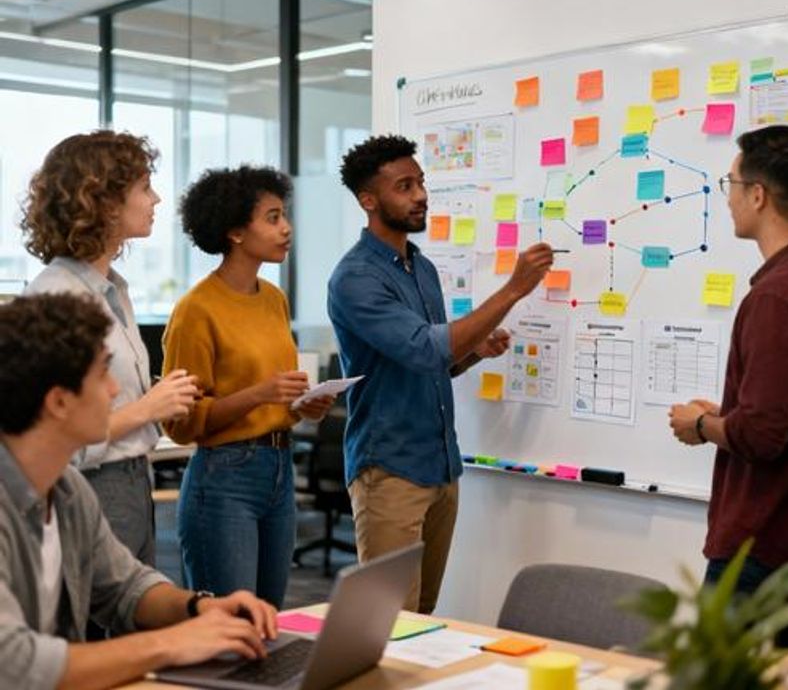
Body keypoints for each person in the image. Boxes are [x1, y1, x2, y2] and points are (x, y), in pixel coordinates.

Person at [0, 292, 278, 690]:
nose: (115, 390)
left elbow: (126, 587)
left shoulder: (67, 491)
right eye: (103, 375)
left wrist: (200, 608)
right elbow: (14, 664)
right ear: (59, 401)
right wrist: (170, 644)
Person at [328, 134, 554, 613]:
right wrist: (513, 289)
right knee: (390, 623)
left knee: (423, 617)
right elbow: (424, 347)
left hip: (441, 467)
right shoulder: (355, 278)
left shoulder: (422, 268)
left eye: (421, 183)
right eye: (404, 186)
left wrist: (472, 354)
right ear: (369, 201)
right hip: (390, 471)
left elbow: (432, 365)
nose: (420, 196)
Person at [21, 131, 198, 568]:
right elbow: (50, 437)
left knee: (131, 612)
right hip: (90, 485)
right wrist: (147, 409)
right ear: (103, 201)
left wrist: (157, 400)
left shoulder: (111, 290)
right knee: (93, 626)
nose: (156, 199)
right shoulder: (57, 298)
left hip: (134, 477)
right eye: (144, 187)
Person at [162, 165, 334, 608]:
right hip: (224, 478)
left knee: (267, 619)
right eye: (273, 217)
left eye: (284, 215)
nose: (286, 228)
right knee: (229, 627)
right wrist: (259, 394)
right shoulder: (196, 310)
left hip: (280, 467)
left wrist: (304, 405)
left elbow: (277, 398)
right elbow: (182, 425)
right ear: (236, 232)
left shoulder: (274, 298)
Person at [668, 125, 788, 606]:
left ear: (759, 195)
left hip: (762, 553)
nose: (727, 200)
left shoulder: (776, 297)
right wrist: (729, 415)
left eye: (731, 185)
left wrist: (702, 424)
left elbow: (764, 435)